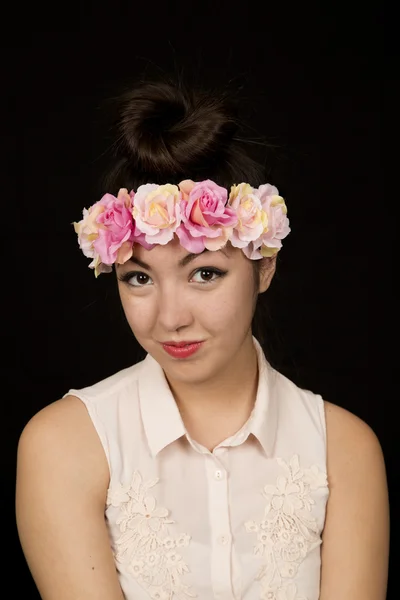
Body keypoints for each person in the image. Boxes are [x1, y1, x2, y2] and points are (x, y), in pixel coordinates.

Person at [15, 80, 389, 600]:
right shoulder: (65, 444)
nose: (171, 318)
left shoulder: (344, 451)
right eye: (139, 278)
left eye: (205, 274)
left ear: (265, 268)